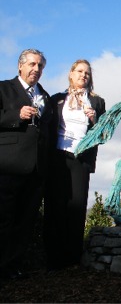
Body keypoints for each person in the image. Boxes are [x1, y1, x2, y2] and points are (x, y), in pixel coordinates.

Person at [44, 59, 105, 271]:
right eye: (79, 71)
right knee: (56, 205)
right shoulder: (57, 100)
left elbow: (105, 134)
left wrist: (95, 120)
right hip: (58, 157)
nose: (83, 76)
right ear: (71, 74)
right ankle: (52, 258)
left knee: (77, 207)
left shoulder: (97, 102)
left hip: (81, 158)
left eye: (87, 73)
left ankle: (72, 259)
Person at [0, 49, 52, 280]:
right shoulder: (3, 88)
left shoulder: (45, 96)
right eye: (32, 64)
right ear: (20, 66)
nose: (36, 69)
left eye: (40, 66)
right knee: (3, 219)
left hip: (36, 170)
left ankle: (13, 267)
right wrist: (15, 115)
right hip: (7, 166)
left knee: (25, 222)